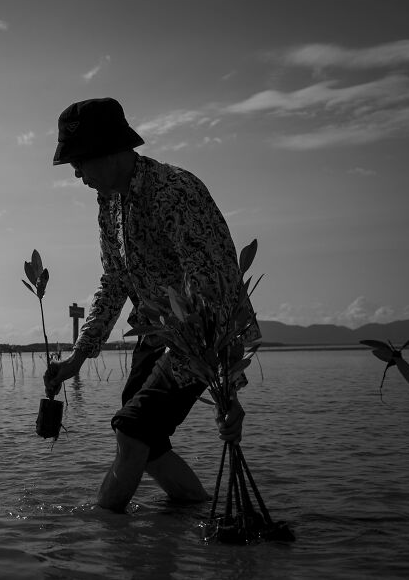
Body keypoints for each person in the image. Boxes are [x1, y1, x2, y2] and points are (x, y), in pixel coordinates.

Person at [44, 98, 258, 512]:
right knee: (146, 438)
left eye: (78, 161)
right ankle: (194, 512)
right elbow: (114, 282)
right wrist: (77, 359)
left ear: (109, 152)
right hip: (155, 329)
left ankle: (106, 535)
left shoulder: (175, 191)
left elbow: (214, 287)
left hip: (198, 334)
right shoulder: (109, 204)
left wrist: (227, 385)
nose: (75, 173)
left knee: (133, 430)